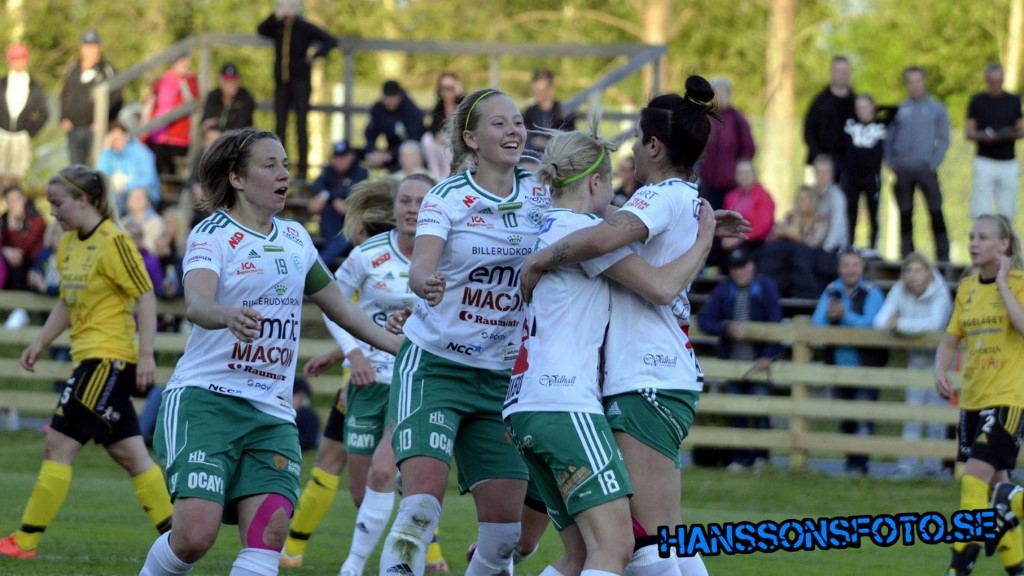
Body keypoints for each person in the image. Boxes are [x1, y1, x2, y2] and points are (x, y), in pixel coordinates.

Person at [137, 128, 403, 576]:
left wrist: (401, 346)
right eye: (270, 165)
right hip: (206, 402)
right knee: (194, 538)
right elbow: (197, 304)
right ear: (237, 178)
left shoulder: (296, 238)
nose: (284, 175)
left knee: (271, 534)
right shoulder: (212, 234)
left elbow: (342, 309)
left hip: (272, 413)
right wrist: (225, 314)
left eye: (286, 165)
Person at [520, 76, 750, 576]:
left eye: (637, 140)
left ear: (655, 146)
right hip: (661, 375)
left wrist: (538, 260)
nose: (630, 151)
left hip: (645, 377)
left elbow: (601, 239)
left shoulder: (657, 196)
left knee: (646, 546)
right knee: (662, 540)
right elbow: (612, 225)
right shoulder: (678, 197)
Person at [376, 87, 552, 576]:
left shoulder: (542, 193)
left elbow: (593, 226)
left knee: (504, 538)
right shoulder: (447, 196)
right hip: (436, 367)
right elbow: (421, 265)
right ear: (471, 138)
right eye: (500, 123)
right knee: (420, 509)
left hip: (502, 378)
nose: (514, 130)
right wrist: (424, 282)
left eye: (518, 121)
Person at [0, 165, 172, 561]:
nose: (53, 212)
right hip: (91, 360)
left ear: (83, 200)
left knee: (57, 445)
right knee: (131, 454)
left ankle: (25, 540)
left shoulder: (115, 241)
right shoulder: (67, 244)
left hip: (107, 362)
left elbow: (146, 296)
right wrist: (40, 341)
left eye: (58, 203)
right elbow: (67, 301)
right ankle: (179, 536)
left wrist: (147, 353)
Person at [938, 215, 1024, 575]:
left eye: (983, 237)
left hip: (1007, 398)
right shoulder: (967, 288)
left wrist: (1003, 283)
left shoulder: (1019, 283)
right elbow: (950, 339)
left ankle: (958, 568)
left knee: (973, 480)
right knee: (996, 494)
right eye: (972, 236)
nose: (974, 243)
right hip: (973, 399)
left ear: (1004, 245)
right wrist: (939, 369)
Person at [696, 247, 782, 471]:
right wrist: (726, 328)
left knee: (760, 411)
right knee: (737, 413)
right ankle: (739, 459)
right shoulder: (725, 289)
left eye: (743, 266)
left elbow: (776, 325)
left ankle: (762, 458)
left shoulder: (765, 288)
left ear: (752, 267)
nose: (739, 272)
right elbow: (705, 319)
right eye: (734, 267)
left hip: (759, 363)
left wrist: (768, 355)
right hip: (733, 365)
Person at [872, 252, 951, 478]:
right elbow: (879, 321)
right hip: (916, 359)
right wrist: (896, 324)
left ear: (928, 272)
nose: (913, 275)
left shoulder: (940, 291)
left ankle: (933, 467)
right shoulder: (899, 289)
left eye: (918, 270)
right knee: (912, 413)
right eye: (908, 271)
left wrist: (900, 324)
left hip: (941, 361)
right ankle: (907, 465)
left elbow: (935, 324)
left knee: (936, 416)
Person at [811, 249, 886, 476]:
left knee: (863, 418)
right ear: (839, 269)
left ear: (862, 268)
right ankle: (850, 463)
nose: (851, 270)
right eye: (846, 265)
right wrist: (829, 316)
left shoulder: (872, 292)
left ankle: (860, 465)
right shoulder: (831, 290)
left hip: (866, 368)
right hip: (839, 367)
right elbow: (816, 323)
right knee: (846, 419)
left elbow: (873, 324)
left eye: (855, 265)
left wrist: (845, 315)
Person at [257, 0, 336, 181]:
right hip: (282, 83)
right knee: (280, 126)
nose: (287, 10)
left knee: (301, 125)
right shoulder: (277, 26)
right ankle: (278, 166)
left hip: (301, 82)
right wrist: (275, 15)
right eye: (284, 6)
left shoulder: (304, 27)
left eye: (290, 6)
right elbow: (261, 29)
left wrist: (315, 55)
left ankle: (302, 171)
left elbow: (330, 40)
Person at [885, 65, 950, 262]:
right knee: (905, 213)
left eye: (918, 81)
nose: (915, 86)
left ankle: (943, 257)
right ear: (906, 84)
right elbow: (888, 137)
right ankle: (907, 257)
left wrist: (934, 162)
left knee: (935, 210)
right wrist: (891, 161)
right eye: (910, 82)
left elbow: (944, 138)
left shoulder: (936, 108)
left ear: (925, 82)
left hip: (926, 169)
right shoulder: (899, 109)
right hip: (903, 169)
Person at [758, 155, 846, 299]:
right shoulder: (796, 211)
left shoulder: (834, 200)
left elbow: (828, 235)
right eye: (819, 172)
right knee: (773, 251)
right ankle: (767, 291)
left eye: (826, 172)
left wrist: (795, 236)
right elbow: (779, 229)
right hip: (803, 248)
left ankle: (806, 294)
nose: (822, 176)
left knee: (799, 255)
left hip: (826, 250)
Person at [966, 62, 1023, 220]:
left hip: (1008, 161)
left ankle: (1005, 234)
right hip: (984, 160)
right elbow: (969, 132)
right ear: (987, 80)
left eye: (999, 81)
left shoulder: (1013, 101)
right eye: (992, 81)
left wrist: (1008, 134)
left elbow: (1020, 129)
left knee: (1008, 209)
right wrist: (983, 136)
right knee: (981, 208)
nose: (996, 85)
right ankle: (982, 234)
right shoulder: (977, 101)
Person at [60, 29, 122, 166]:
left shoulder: (107, 70)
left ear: (99, 48)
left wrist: (105, 120)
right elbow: (64, 94)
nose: (89, 51)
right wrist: (64, 117)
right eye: (86, 46)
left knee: (98, 165)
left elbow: (117, 98)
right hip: (74, 128)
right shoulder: (73, 69)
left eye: (93, 46)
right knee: (76, 168)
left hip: (95, 129)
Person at [306, 139, 369, 265]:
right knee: (327, 209)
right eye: (337, 157)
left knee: (346, 235)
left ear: (351, 157)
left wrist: (328, 195)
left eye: (343, 157)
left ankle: (318, 263)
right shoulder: (329, 171)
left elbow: (352, 190)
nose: (340, 161)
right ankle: (321, 261)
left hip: (352, 228)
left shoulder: (360, 172)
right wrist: (332, 198)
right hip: (331, 229)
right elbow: (315, 186)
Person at [699, 76, 756, 211]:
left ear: (728, 95)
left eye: (721, 93)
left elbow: (748, 149)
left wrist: (741, 172)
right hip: (707, 183)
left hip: (731, 185)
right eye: (715, 94)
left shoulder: (737, 120)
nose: (718, 98)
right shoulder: (705, 117)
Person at [841, 93, 887, 256]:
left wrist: (876, 111)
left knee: (873, 211)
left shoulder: (881, 126)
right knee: (850, 211)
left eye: (865, 107)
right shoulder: (850, 125)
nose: (862, 111)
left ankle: (873, 247)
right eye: (858, 108)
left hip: (871, 177)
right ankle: (848, 245)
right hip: (851, 177)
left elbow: (894, 110)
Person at [142, 54, 199, 176]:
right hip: (157, 137)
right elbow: (148, 104)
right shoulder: (161, 81)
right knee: (155, 174)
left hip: (179, 138)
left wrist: (184, 80)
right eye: (180, 61)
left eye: (185, 61)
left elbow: (194, 101)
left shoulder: (190, 81)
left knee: (176, 176)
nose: (183, 64)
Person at [0, 43, 48, 186]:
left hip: (21, 136)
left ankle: (13, 199)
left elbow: (44, 113)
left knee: (16, 175)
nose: (18, 63)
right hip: (2, 133)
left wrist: (30, 130)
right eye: (15, 59)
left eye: (21, 59)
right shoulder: (2, 83)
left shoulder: (34, 86)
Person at [804, 55, 856, 180]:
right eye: (838, 71)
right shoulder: (819, 101)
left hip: (849, 167)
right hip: (819, 165)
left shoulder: (856, 103)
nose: (842, 75)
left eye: (845, 71)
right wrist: (819, 156)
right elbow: (808, 131)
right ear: (831, 73)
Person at [95, 121, 161, 211]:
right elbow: (101, 176)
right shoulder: (110, 154)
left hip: (145, 196)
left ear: (126, 135)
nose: (117, 141)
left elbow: (148, 179)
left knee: (126, 196)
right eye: (113, 138)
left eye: (119, 136)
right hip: (119, 195)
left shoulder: (141, 152)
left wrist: (127, 187)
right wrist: (106, 150)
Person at [365, 80, 426, 173]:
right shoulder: (378, 109)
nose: (389, 101)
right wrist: (373, 151)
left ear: (399, 97)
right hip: (390, 149)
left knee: (408, 150)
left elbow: (414, 138)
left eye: (393, 98)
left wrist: (391, 154)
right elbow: (370, 134)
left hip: (409, 150)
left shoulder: (411, 111)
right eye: (387, 98)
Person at [721, 159, 775, 256]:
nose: (744, 176)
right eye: (740, 173)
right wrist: (726, 235)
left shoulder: (764, 197)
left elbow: (762, 227)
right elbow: (725, 220)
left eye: (747, 172)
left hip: (754, 241)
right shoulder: (730, 197)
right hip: (732, 237)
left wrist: (738, 238)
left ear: (754, 175)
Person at [0, 183, 45, 291]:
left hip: (33, 263)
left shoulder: (36, 220)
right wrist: (4, 250)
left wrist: (12, 227)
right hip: (11, 265)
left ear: (24, 199)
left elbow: (24, 248)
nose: (13, 204)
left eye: (16, 199)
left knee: (17, 258)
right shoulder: (3, 219)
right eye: (10, 201)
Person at [422, 71, 463, 181]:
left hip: (457, 144)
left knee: (449, 147)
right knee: (427, 139)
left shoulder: (463, 105)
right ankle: (436, 176)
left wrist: (460, 94)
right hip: (442, 143)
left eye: (450, 88)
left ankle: (449, 176)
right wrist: (437, 135)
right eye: (444, 88)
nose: (447, 92)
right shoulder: (439, 106)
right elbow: (432, 127)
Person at [524, 68, 576, 153]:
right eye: (535, 90)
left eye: (541, 90)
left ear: (551, 89)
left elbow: (570, 140)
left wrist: (547, 143)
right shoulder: (529, 112)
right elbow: (525, 134)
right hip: (533, 154)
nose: (537, 93)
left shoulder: (565, 112)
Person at [201, 63, 256, 136]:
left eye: (234, 80)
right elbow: (205, 123)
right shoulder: (213, 96)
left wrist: (219, 133)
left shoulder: (245, 98)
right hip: (214, 138)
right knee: (211, 135)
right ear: (220, 81)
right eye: (227, 80)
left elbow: (240, 127)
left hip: (240, 140)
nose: (230, 84)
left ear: (238, 81)